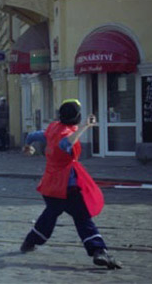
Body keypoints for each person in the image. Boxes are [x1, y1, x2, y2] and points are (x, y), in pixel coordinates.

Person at [20, 99, 122, 269]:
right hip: (67, 187)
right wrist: (85, 126)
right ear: (77, 117)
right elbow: (66, 143)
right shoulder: (64, 133)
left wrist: (27, 146)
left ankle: (30, 242)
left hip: (50, 187)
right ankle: (98, 251)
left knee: (49, 215)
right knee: (82, 219)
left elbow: (31, 136)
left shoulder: (52, 127)